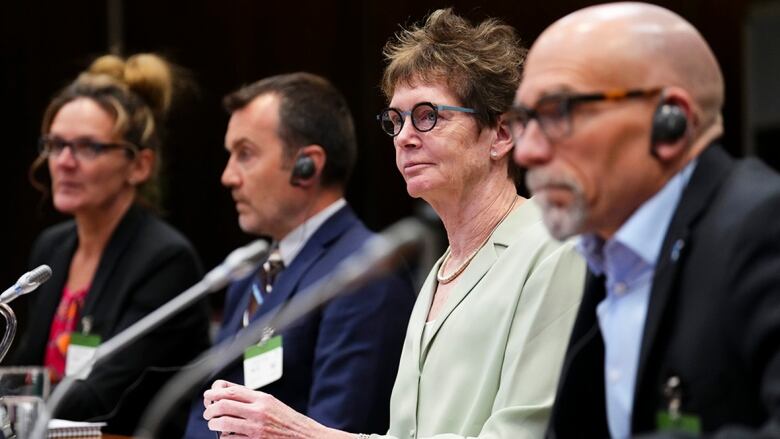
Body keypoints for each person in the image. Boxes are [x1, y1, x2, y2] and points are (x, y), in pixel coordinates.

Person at [201, 9, 585, 439]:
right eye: (396, 120)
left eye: (427, 115)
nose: (403, 136)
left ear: (501, 134)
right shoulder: (439, 271)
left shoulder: (553, 248)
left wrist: (307, 435)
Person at [511, 2, 780, 437]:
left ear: (669, 122)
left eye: (559, 111)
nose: (526, 152)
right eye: (524, 120)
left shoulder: (763, 223)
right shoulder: (607, 253)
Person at [182, 72, 416, 438]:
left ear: (307, 165)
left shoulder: (365, 274)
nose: (228, 176)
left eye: (245, 154)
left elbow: (339, 427)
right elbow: (209, 406)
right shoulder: (248, 274)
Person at [8, 53, 210, 435]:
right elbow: (28, 366)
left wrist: (13, 397)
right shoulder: (52, 249)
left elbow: (102, 397)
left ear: (139, 165)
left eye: (88, 147)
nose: (64, 162)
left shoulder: (165, 260)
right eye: (55, 144)